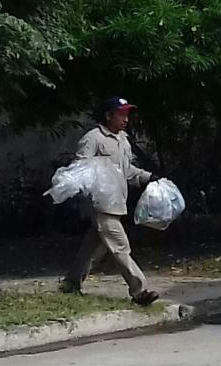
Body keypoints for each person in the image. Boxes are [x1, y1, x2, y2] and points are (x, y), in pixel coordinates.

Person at [59, 97, 160, 305]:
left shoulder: (123, 140)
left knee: (93, 248)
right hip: (101, 203)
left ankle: (71, 283)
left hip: (117, 203)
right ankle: (139, 290)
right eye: (121, 114)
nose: (126, 119)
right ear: (108, 116)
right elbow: (80, 169)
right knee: (120, 246)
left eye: (127, 114)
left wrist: (148, 177)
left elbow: (127, 171)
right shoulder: (93, 139)